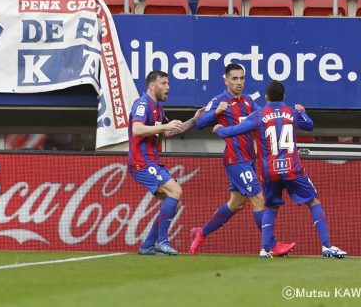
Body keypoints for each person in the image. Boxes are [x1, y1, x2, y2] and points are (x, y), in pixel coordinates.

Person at [213, 80, 348, 259]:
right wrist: (303, 112)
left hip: (270, 172)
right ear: (284, 96)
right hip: (293, 169)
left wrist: (220, 129)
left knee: (270, 207)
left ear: (266, 97)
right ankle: (327, 246)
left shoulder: (258, 115)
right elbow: (309, 125)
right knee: (313, 202)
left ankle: (265, 249)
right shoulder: (292, 112)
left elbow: (233, 131)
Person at [189, 63, 296, 256]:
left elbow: (265, 115)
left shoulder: (248, 102)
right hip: (235, 160)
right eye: (234, 79)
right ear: (226, 80)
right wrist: (216, 113)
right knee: (258, 197)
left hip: (249, 159)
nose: (239, 83)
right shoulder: (219, 100)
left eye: (241, 78)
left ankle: (201, 233)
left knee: (236, 203)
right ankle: (270, 245)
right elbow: (200, 123)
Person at [128, 70, 204, 256]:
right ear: (152, 86)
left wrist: (194, 120)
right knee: (176, 191)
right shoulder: (142, 104)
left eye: (168, 84)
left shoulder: (158, 109)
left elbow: (169, 132)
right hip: (141, 162)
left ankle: (147, 246)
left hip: (152, 161)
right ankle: (162, 241)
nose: (168, 88)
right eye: (164, 83)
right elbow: (137, 129)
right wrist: (164, 126)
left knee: (175, 203)